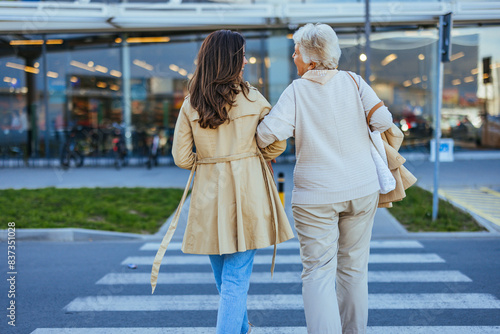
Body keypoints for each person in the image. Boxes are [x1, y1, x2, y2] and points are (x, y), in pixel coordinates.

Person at [150, 30, 294, 334]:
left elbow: (181, 157)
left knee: (226, 281)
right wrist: (252, 153)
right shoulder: (254, 99)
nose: (245, 61)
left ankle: (244, 329)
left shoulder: (192, 103)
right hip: (249, 191)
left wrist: (207, 163)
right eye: (241, 55)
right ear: (230, 59)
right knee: (234, 281)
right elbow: (277, 144)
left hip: (208, 196)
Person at [256, 23, 393, 333]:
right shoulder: (354, 82)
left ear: (312, 61)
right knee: (354, 270)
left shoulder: (296, 90)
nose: (293, 56)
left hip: (316, 195)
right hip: (362, 188)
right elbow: (383, 120)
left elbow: (266, 135)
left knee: (318, 273)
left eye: (296, 52)